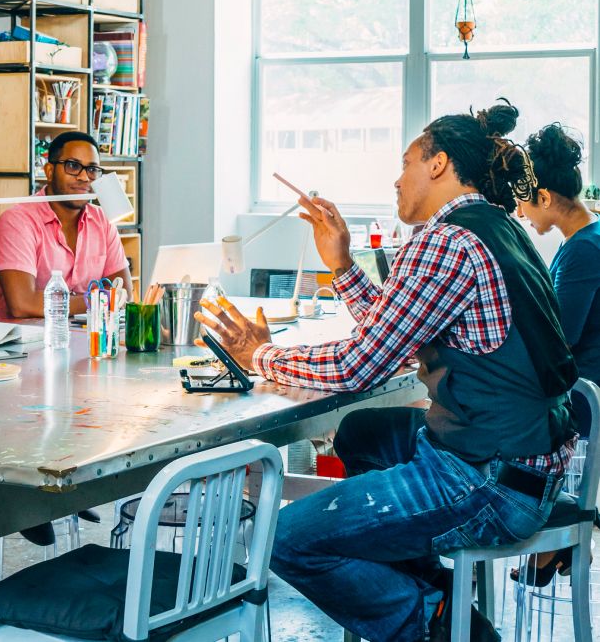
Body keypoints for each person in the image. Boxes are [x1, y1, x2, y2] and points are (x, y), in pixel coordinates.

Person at [197, 101, 578, 642]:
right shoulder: (498, 229)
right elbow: (398, 340)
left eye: (406, 163)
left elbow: (360, 365)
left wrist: (259, 356)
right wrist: (342, 265)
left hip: (487, 481)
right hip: (530, 464)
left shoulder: (444, 242)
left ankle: (429, 620)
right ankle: (430, 589)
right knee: (363, 434)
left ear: (438, 164)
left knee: (283, 539)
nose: (396, 180)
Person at [511, 123, 600, 586]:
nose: (521, 213)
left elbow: (559, 335)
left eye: (524, 201)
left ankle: (544, 537)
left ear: (544, 197)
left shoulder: (585, 250)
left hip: (580, 401)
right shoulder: (583, 241)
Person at [0, 131, 133, 321]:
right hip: (19, 344)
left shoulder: (103, 221)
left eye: (92, 170)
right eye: (73, 166)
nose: (84, 177)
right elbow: (22, 304)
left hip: (81, 338)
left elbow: (124, 294)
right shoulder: (17, 221)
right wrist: (99, 299)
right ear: (49, 171)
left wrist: (104, 298)